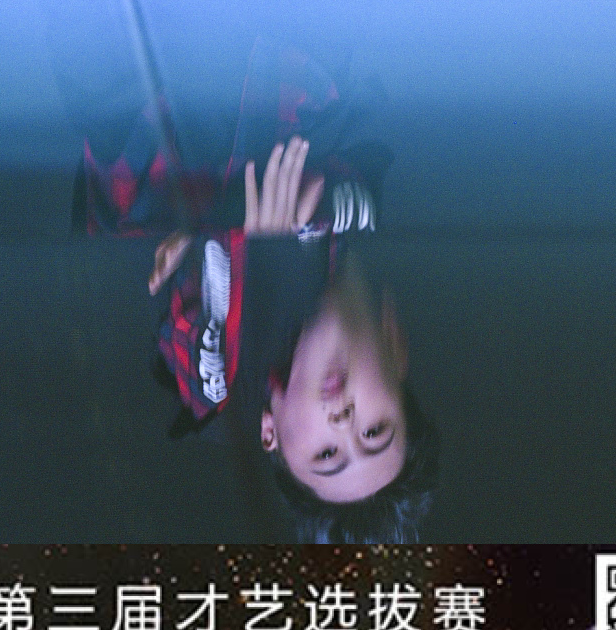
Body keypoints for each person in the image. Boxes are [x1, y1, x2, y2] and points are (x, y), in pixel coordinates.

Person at [80, 42, 438, 542]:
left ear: (271, 434)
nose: (344, 421)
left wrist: (223, 230)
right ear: (398, 351)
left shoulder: (212, 372)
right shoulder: (375, 185)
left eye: (327, 454)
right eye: (375, 431)